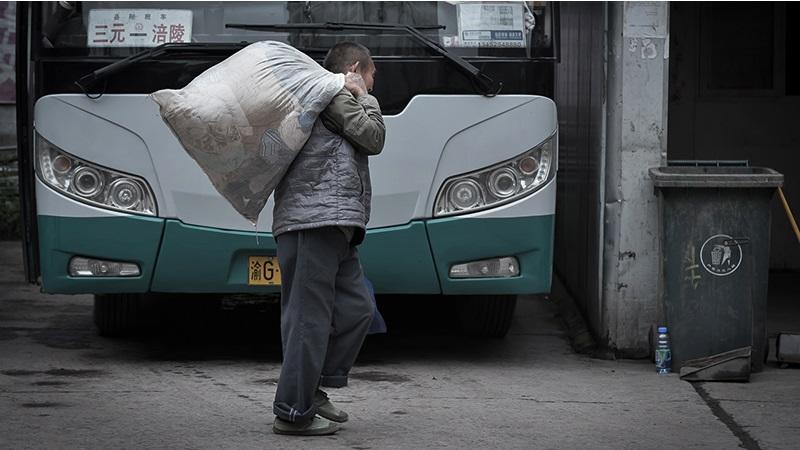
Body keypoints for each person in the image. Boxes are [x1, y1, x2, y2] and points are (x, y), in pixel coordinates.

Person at [270, 41, 385, 436]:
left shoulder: (330, 96)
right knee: (308, 321)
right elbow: (373, 138)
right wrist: (364, 96)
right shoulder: (336, 94)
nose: (373, 84)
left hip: (338, 225)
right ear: (356, 68)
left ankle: (311, 389)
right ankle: (292, 412)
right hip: (312, 223)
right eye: (372, 75)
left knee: (358, 309)